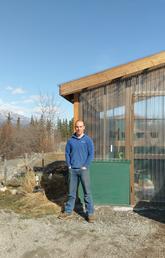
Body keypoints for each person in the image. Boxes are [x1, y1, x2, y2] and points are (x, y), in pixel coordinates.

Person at [58, 120, 95, 223]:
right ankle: (68, 211)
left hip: (83, 170)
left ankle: (90, 213)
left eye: (80, 126)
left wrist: (85, 166)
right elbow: (67, 153)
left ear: (84, 127)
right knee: (71, 192)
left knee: (87, 192)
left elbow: (91, 154)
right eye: (77, 127)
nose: (79, 128)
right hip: (73, 171)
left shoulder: (88, 140)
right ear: (75, 128)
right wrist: (69, 166)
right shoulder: (71, 141)